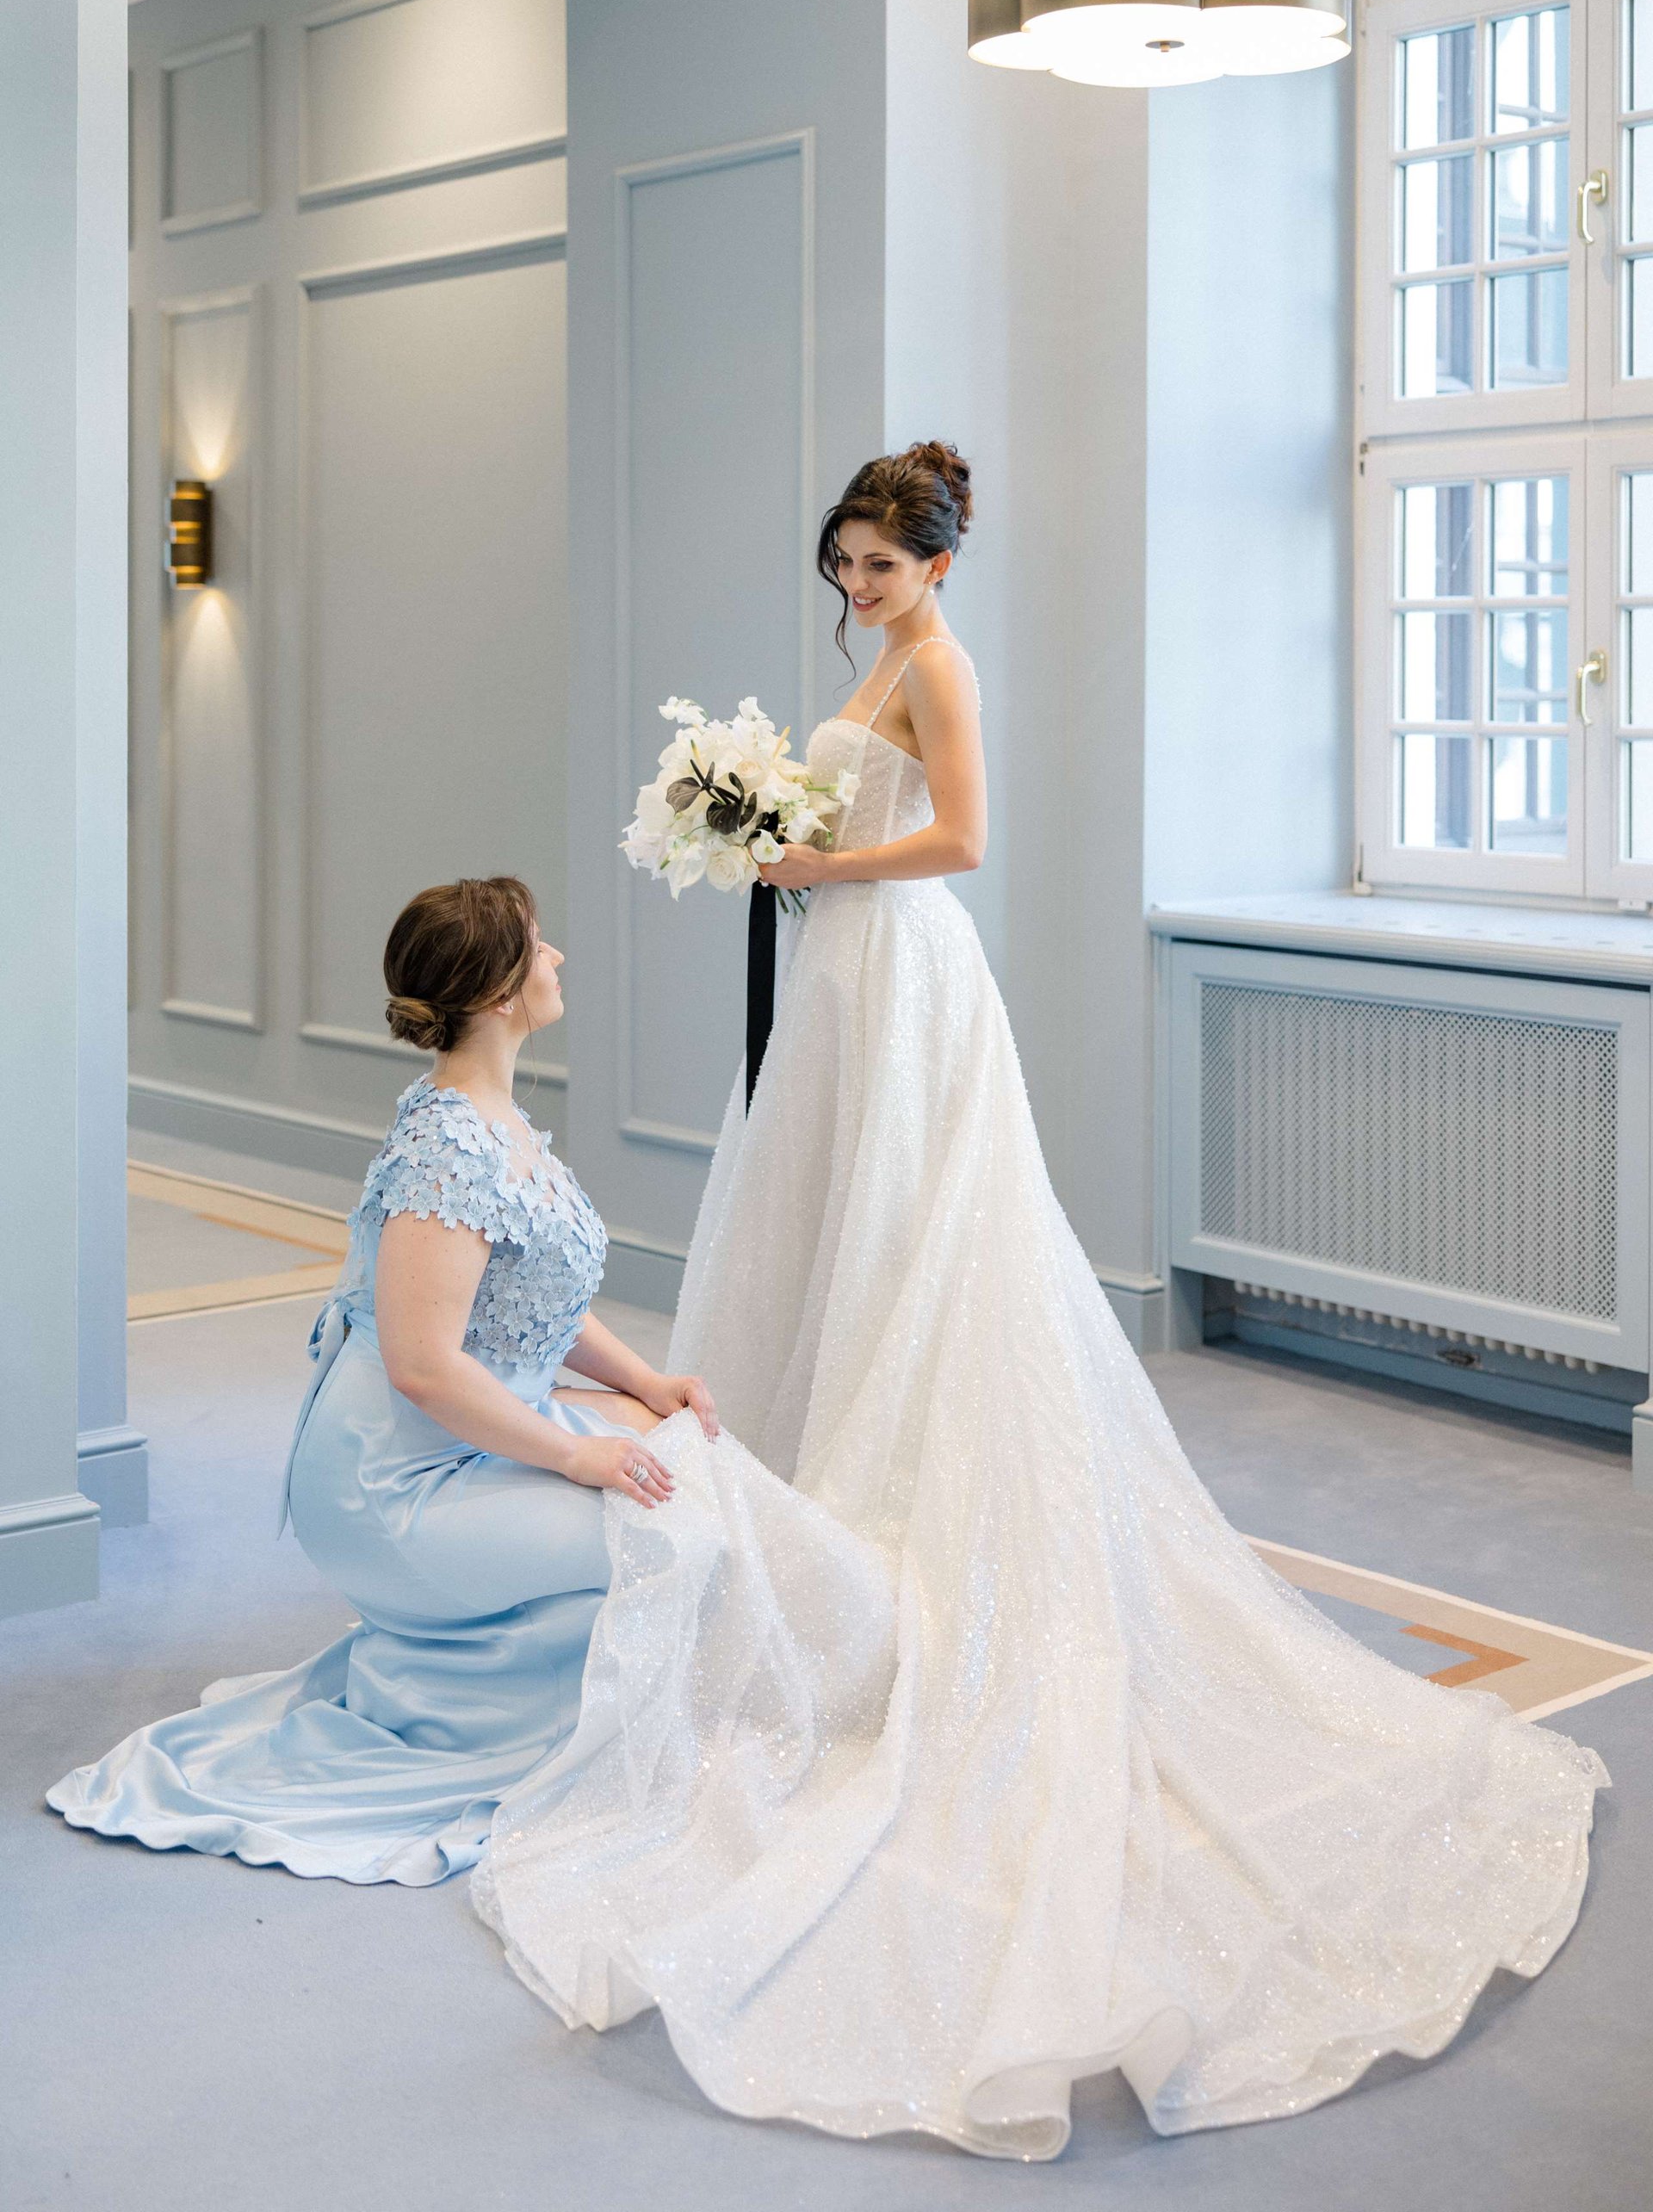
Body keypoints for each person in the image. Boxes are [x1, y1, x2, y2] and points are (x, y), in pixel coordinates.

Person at [474, 446, 1610, 2155]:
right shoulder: (882, 657)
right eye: (845, 562)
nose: (858, 585)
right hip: (842, 977)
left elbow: (964, 840)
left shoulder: (939, 664)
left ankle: (896, 1564)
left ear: (938, 562)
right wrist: (771, 833)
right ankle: (802, 1548)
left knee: (927, 1253)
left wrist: (811, 867)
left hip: (902, 968)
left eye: (880, 564)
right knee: (826, 1236)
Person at [49, 876, 716, 1885]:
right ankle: (510, 1728)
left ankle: (527, 1685)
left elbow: (534, 1297)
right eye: (539, 945)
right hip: (392, 1488)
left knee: (673, 1447)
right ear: (498, 994)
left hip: (464, 1435)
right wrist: (577, 1456)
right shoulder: (449, 1149)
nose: (558, 958)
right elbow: (422, 1367)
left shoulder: (489, 1118)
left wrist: (649, 1382)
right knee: (667, 1530)